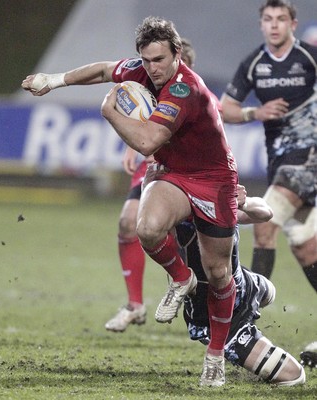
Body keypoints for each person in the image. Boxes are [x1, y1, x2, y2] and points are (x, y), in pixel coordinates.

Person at [22, 18, 238, 387]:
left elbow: (146, 143)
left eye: (159, 59)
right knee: (146, 227)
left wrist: (110, 112)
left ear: (176, 54)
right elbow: (105, 70)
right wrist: (54, 80)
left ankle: (215, 356)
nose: (152, 68)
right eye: (146, 60)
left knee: (218, 273)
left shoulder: (185, 88)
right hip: (173, 172)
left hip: (214, 180)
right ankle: (181, 278)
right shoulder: (141, 69)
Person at [220, 0, 317, 293]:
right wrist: (255, 113)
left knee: (265, 226)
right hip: (281, 161)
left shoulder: (309, 57)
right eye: (269, 19)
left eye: (281, 19)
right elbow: (226, 109)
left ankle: (248, 315)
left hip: (308, 159)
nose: (274, 25)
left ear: (293, 25)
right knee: (305, 248)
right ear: (261, 24)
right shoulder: (253, 65)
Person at [105, 39, 197, 333]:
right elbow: (142, 122)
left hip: (189, 173)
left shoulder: (195, 94)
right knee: (128, 222)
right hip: (154, 167)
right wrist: (135, 143)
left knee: (200, 247)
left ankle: (198, 295)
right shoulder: (150, 88)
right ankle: (134, 305)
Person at [177, 185, 306, 386]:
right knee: (291, 375)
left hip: (235, 293)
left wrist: (244, 203)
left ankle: (258, 293)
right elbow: (150, 228)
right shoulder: (169, 204)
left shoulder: (210, 199)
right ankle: (257, 302)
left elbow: (266, 212)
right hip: (222, 304)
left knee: (292, 375)